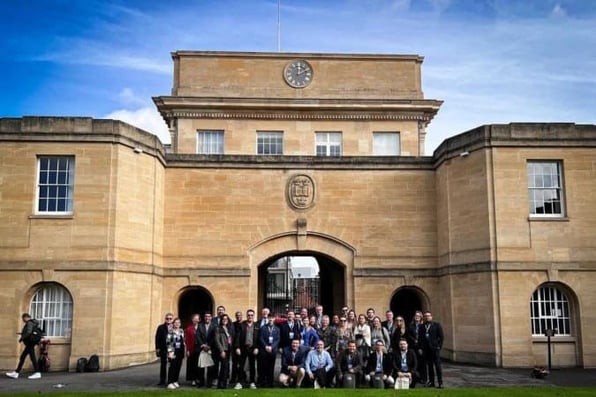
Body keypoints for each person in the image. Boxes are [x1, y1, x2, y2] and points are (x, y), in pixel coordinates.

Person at [5, 313, 43, 380]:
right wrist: (22, 334)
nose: (22, 320)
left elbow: (28, 332)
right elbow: (29, 332)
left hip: (30, 343)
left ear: (26, 317)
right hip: (31, 343)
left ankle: (37, 372)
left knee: (31, 357)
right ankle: (16, 373)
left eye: (23, 318)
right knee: (24, 357)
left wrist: (22, 338)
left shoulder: (29, 323)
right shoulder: (33, 323)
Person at [234, 309, 259, 390]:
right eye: (248, 315)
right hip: (243, 348)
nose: (250, 316)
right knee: (241, 366)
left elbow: (258, 338)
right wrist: (237, 347)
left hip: (252, 348)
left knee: (252, 366)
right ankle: (239, 383)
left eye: (252, 315)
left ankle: (252, 382)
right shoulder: (242, 325)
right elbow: (237, 337)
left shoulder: (256, 325)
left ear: (253, 316)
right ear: (246, 316)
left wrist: (257, 348)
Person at [422, 311, 444, 388]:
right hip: (426, 350)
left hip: (435, 349)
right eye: (425, 316)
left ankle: (440, 382)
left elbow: (441, 337)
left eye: (428, 316)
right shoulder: (422, 326)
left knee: (437, 366)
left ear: (431, 317)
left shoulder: (436, 325)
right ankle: (432, 382)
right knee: (430, 367)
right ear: (424, 318)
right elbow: (420, 338)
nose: (427, 317)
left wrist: (439, 347)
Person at [196, 311, 217, 388]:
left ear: (211, 317)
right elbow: (198, 336)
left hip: (211, 348)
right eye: (206, 316)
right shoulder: (200, 325)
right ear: (204, 318)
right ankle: (201, 383)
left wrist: (209, 346)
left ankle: (209, 383)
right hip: (202, 348)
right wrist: (203, 345)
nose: (207, 318)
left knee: (210, 367)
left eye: (209, 316)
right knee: (201, 366)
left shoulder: (214, 326)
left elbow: (215, 337)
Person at [258, 313, 280, 387]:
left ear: (274, 319)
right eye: (269, 317)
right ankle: (262, 382)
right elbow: (260, 338)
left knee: (271, 367)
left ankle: (270, 382)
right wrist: (266, 346)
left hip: (272, 350)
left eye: (272, 318)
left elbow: (277, 339)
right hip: (264, 350)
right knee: (263, 366)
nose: (271, 319)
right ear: (268, 318)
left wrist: (272, 347)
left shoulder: (277, 329)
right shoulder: (263, 327)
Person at [213, 314, 233, 389]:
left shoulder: (228, 328)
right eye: (223, 319)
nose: (225, 320)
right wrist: (221, 351)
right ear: (221, 320)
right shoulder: (218, 328)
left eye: (226, 319)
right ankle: (221, 384)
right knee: (224, 367)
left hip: (228, 350)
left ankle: (223, 384)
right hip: (223, 350)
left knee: (225, 367)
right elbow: (217, 340)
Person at [154, 313, 173, 386]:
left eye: (170, 318)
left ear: (172, 319)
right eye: (167, 318)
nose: (169, 320)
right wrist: (157, 348)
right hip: (163, 349)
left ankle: (171, 380)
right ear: (165, 319)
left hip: (171, 349)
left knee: (172, 366)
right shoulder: (161, 327)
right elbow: (157, 338)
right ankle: (162, 380)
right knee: (163, 365)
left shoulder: (174, 327)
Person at [166, 318, 185, 390]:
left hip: (180, 351)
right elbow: (168, 342)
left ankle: (175, 380)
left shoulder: (181, 331)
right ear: (173, 324)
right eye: (176, 322)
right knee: (172, 367)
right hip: (173, 351)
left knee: (178, 367)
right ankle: (170, 382)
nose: (177, 324)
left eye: (178, 323)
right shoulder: (170, 332)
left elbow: (183, 341)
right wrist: (170, 352)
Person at [409, 310, 426, 385]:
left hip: (421, 347)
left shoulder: (423, 326)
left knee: (422, 364)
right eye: (416, 316)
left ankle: (424, 379)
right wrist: (414, 340)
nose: (417, 317)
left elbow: (424, 337)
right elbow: (408, 335)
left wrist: (421, 347)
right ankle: (415, 378)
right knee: (414, 363)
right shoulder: (411, 325)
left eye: (419, 316)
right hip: (413, 347)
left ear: (421, 317)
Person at [185, 313, 200, 385]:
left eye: (197, 318)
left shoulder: (201, 327)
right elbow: (187, 340)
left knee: (198, 364)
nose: (196, 320)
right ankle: (192, 379)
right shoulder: (189, 329)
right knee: (191, 364)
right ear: (192, 320)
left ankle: (198, 378)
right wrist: (187, 350)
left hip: (199, 348)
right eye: (195, 318)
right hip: (191, 348)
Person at [230, 311, 243, 386]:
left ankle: (241, 378)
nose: (238, 317)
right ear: (235, 316)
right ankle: (233, 378)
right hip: (234, 346)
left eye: (240, 315)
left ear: (242, 316)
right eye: (237, 315)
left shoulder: (244, 324)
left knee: (242, 364)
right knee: (234, 364)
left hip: (242, 347)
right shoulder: (233, 324)